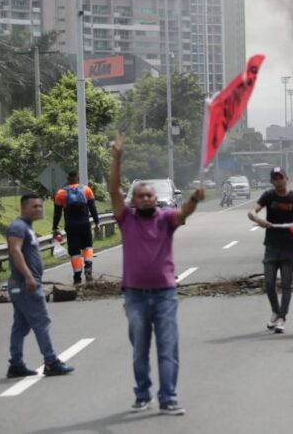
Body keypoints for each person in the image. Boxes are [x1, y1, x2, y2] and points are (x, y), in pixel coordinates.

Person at [109, 131, 204, 415]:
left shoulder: (166, 219)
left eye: (150, 195)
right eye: (141, 196)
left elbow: (183, 212)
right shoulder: (125, 219)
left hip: (165, 295)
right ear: (134, 201)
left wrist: (194, 200)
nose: (147, 199)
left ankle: (168, 398)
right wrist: (118, 157)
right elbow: (114, 190)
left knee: (167, 348)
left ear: (156, 199)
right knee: (139, 349)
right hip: (135, 295)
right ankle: (142, 394)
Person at [6, 194, 75, 378]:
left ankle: (16, 364)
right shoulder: (18, 227)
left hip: (22, 284)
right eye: (34, 206)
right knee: (41, 322)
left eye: (40, 206)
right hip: (25, 284)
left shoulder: (26, 227)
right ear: (24, 208)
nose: (39, 209)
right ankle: (51, 362)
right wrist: (29, 277)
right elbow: (14, 250)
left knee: (21, 325)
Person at [248, 167, 293, 334]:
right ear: (272, 181)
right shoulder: (268, 196)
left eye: (281, 178)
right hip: (271, 246)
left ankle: (282, 317)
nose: (278, 181)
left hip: (289, 247)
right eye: (275, 178)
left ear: (286, 178)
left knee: (286, 285)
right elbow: (252, 212)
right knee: (269, 283)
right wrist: (260, 220)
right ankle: (275, 310)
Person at [52, 171, 100, 285]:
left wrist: (54, 227)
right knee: (87, 247)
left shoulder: (60, 193)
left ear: (68, 180)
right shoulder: (86, 190)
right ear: (78, 179)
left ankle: (77, 278)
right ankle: (88, 268)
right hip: (85, 224)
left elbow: (57, 213)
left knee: (74, 253)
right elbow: (93, 208)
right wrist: (97, 223)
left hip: (71, 226)